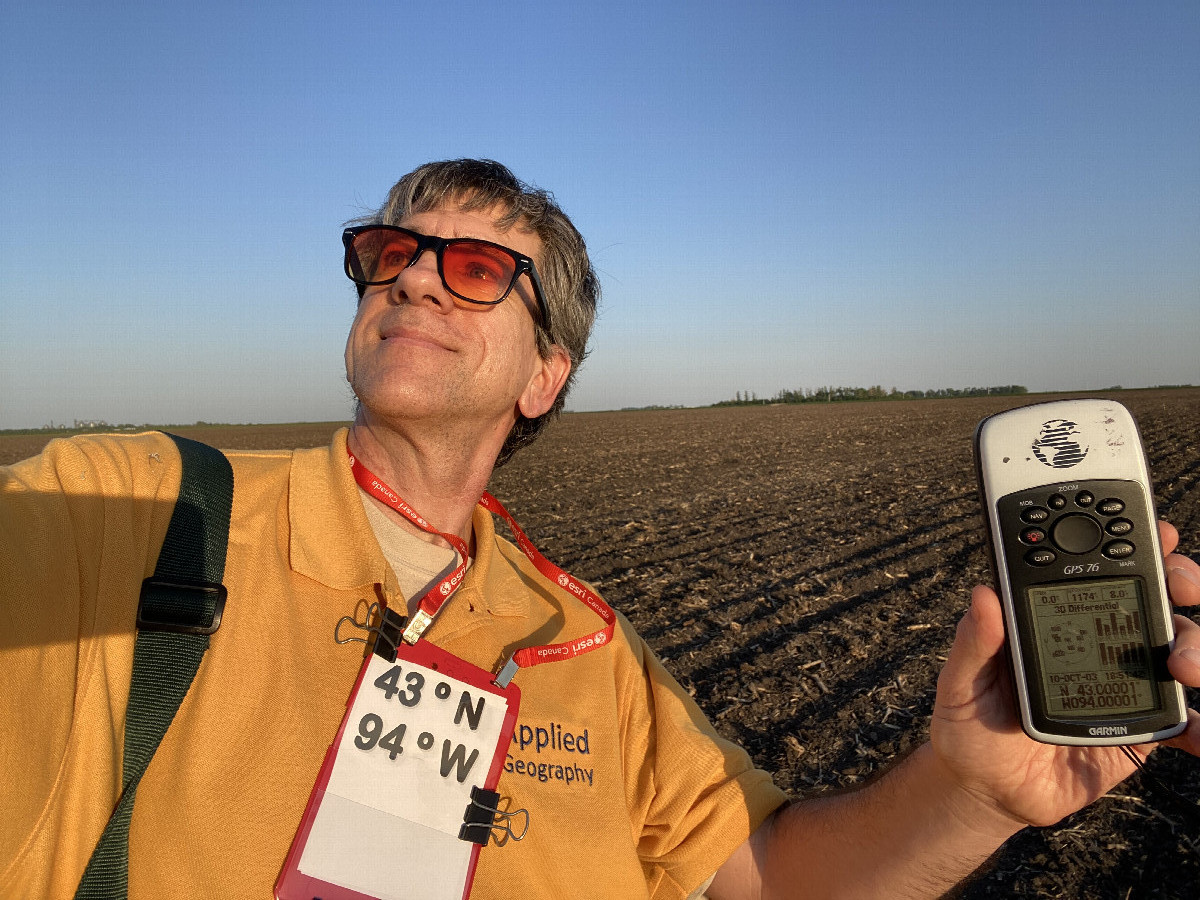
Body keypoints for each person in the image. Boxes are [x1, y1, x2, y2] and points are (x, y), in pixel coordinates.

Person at [1, 159, 1197, 900]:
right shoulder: (140, 506)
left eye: (472, 268)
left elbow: (773, 883)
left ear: (545, 374)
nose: (411, 281)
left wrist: (977, 789)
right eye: (388, 255)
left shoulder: (583, 649)